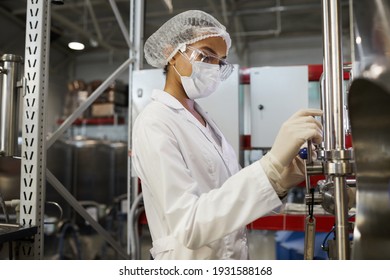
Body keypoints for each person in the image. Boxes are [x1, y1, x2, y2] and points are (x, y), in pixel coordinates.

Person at [131, 10, 323, 260]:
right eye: (206, 55)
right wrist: (270, 165)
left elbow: (230, 198)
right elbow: (188, 225)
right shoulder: (155, 121)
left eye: (220, 61)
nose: (213, 67)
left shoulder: (205, 121)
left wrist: (280, 181)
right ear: (171, 53)